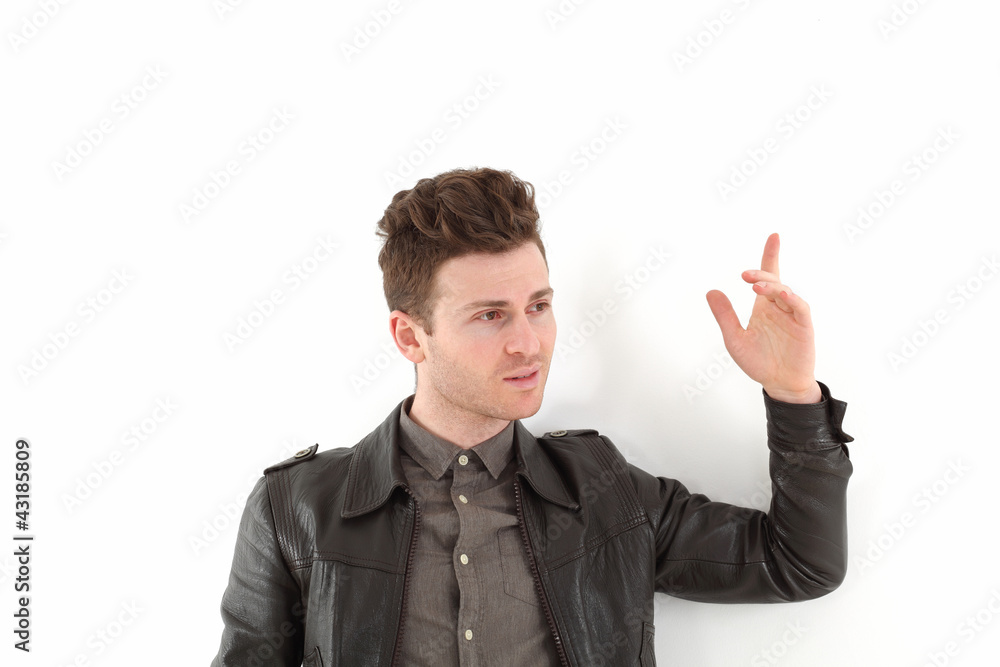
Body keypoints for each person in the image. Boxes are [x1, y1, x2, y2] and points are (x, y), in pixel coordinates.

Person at [210, 167, 854, 667]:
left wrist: (793, 393)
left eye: (538, 305)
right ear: (411, 338)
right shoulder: (295, 509)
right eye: (490, 315)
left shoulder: (604, 494)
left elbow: (799, 563)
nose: (530, 342)